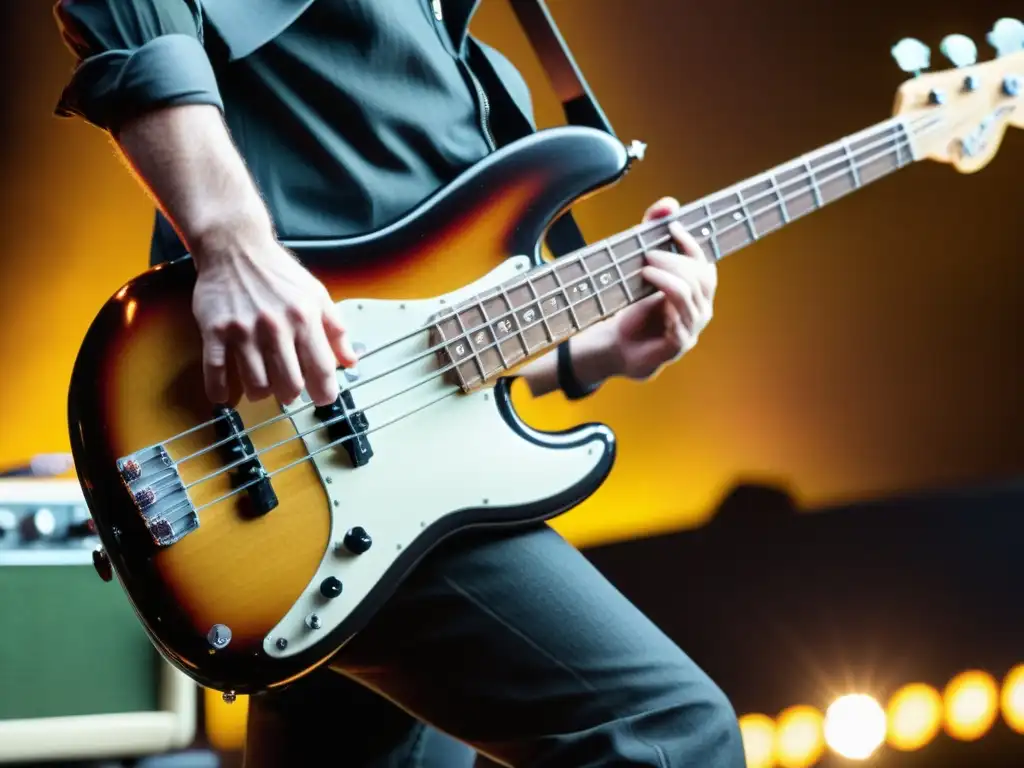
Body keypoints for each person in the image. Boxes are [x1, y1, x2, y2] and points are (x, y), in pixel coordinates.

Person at [52, 1, 745, 766]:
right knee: (672, 735)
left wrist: (602, 350)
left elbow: (429, 341)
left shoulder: (482, 70)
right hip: (273, 439)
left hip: (359, 506)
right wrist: (232, 243)